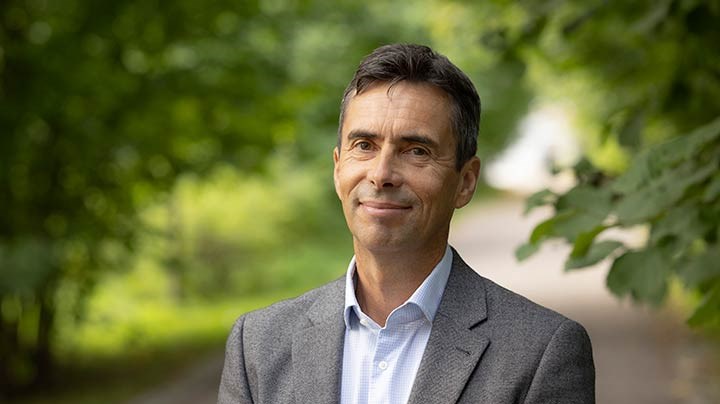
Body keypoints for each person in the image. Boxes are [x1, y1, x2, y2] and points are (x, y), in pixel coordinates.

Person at [217, 43, 595, 404]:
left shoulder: (541, 351)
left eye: (416, 151)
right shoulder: (259, 344)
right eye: (364, 145)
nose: (382, 175)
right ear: (337, 169)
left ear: (465, 182)